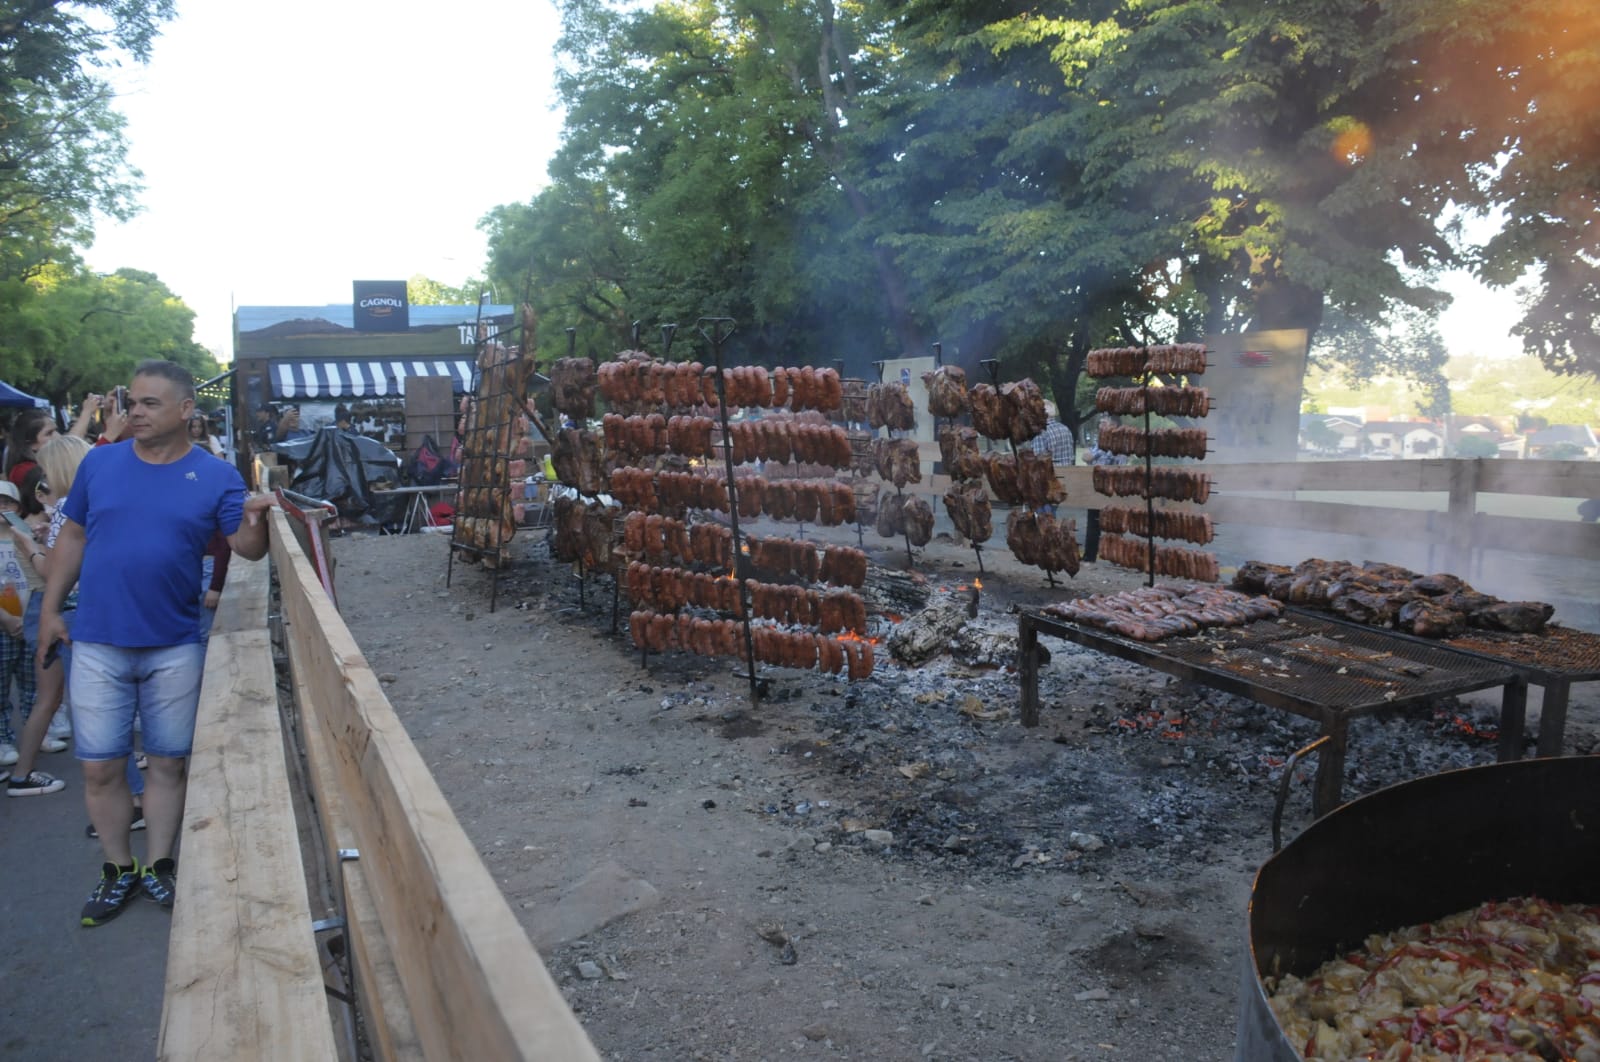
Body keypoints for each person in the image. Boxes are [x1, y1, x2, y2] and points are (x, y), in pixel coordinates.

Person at [37, 359, 275, 926]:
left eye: (149, 404)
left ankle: (160, 865)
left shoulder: (217, 475)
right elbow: (72, 535)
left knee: (167, 765)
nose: (133, 413)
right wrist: (50, 610)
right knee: (100, 768)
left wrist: (259, 519)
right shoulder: (101, 463)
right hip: (96, 642)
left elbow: (247, 547)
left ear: (186, 411)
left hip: (173, 643)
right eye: (132, 403)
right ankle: (118, 869)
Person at [1082, 416, 1127, 563]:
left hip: (1112, 486)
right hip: (1097, 487)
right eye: (1100, 422)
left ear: (1114, 425)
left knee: (1113, 523)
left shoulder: (1117, 442)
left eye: (1103, 422)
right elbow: (1085, 456)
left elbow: (1089, 457)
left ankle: (1116, 557)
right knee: (1094, 522)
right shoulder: (1101, 442)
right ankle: (1090, 556)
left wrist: (1091, 456)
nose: (1100, 425)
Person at [1030, 401, 1075, 516]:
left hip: (1047, 480)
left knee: (1044, 516)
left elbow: (1037, 461)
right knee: (1051, 512)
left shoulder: (1041, 433)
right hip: (1064, 477)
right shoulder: (1066, 429)